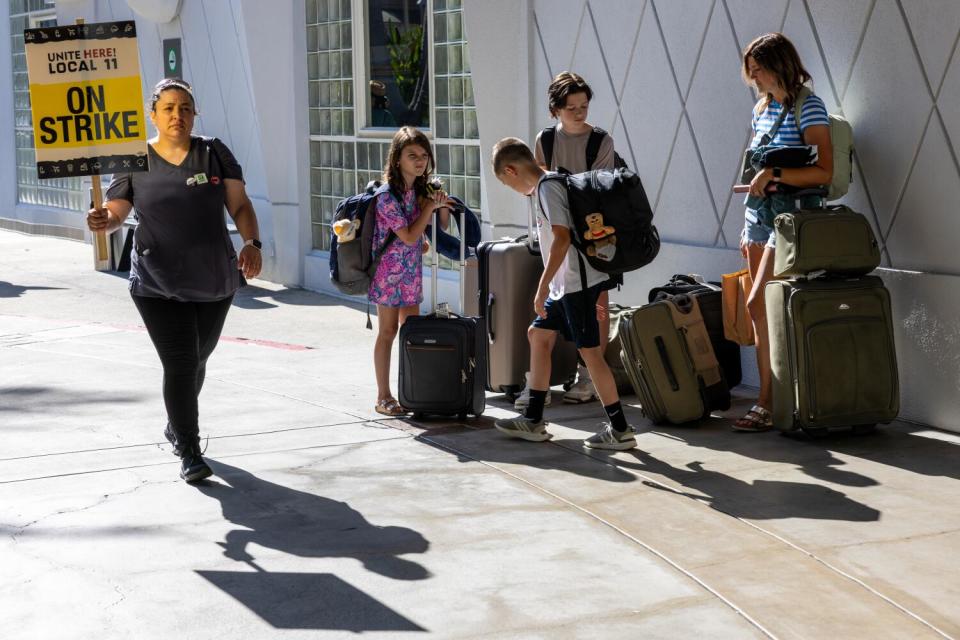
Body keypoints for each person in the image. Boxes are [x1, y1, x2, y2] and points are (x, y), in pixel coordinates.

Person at [86, 78, 263, 482]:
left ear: (194, 113)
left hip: (214, 278)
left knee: (198, 358)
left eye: (184, 107)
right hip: (156, 281)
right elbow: (115, 210)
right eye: (167, 108)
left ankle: (176, 422)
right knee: (181, 361)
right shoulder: (133, 157)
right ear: (153, 114)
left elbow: (239, 204)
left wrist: (252, 243)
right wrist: (104, 220)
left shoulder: (214, 152)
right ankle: (188, 446)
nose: (176, 115)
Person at [491, 137, 636, 450]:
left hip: (576, 284)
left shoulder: (547, 188)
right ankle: (532, 420)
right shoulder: (552, 183)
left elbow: (561, 239)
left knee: (590, 354)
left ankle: (620, 429)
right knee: (538, 336)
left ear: (512, 170)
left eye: (506, 182)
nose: (510, 188)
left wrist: (542, 285)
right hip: (566, 285)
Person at [734, 33, 833, 432]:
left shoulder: (808, 106)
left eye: (759, 68)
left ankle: (767, 401)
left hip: (790, 216)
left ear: (780, 64)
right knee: (756, 310)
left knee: (760, 301)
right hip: (759, 214)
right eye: (751, 71)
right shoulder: (762, 108)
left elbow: (824, 171)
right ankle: (770, 399)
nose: (754, 77)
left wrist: (775, 172)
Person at [514, 71, 619, 409]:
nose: (579, 112)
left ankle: (590, 376)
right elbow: (538, 186)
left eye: (584, 105)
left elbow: (602, 189)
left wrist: (559, 190)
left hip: (594, 236)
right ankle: (540, 394)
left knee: (598, 307)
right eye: (571, 106)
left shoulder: (601, 141)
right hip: (558, 237)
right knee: (545, 326)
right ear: (555, 109)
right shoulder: (544, 140)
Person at [370, 126, 452, 416]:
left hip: (410, 271)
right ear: (397, 160)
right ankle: (383, 396)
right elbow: (406, 235)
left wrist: (439, 203)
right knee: (388, 331)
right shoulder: (386, 196)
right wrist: (429, 207)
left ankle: (411, 393)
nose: (420, 161)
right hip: (387, 273)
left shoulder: (419, 190)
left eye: (424, 155)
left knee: (411, 332)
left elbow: (438, 228)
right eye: (412, 155)